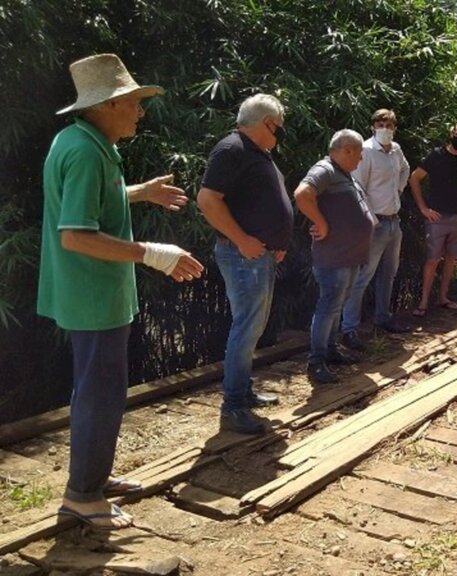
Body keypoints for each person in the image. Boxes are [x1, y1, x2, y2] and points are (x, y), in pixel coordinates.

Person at [39, 53, 204, 529]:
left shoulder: (82, 141)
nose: (140, 111)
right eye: (133, 102)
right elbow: (75, 234)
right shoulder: (88, 151)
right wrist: (154, 252)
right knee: (99, 394)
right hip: (93, 298)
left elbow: (87, 201)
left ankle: (93, 478)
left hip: (91, 294)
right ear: (108, 105)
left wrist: (138, 191)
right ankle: (83, 496)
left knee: (96, 390)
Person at [197, 94, 292, 435]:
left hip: (259, 255)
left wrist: (277, 244)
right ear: (266, 122)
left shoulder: (256, 153)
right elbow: (207, 200)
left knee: (252, 326)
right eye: (277, 128)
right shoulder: (232, 149)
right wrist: (241, 239)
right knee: (246, 326)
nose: (279, 135)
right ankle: (233, 406)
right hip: (242, 256)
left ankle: (244, 392)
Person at [294, 130, 376, 385]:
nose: (361, 159)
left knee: (336, 306)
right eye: (359, 154)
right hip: (334, 257)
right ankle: (316, 361)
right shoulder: (325, 169)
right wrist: (321, 223)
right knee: (328, 306)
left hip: (349, 256)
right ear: (348, 149)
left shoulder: (343, 174)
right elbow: (302, 194)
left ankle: (330, 350)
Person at [340, 109, 411, 353]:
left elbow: (405, 170)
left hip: (394, 221)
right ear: (372, 126)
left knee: (389, 273)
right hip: (376, 223)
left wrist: (399, 191)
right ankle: (349, 328)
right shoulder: (367, 151)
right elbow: (357, 186)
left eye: (390, 123)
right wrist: (370, 218)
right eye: (381, 123)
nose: (385, 127)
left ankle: (382, 317)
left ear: (395, 127)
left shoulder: (396, 150)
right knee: (363, 277)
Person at [409, 123, 457, 316]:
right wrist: (423, 208)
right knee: (432, 259)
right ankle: (423, 302)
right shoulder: (435, 156)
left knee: (451, 259)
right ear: (451, 134)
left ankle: (443, 298)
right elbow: (414, 178)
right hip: (437, 216)